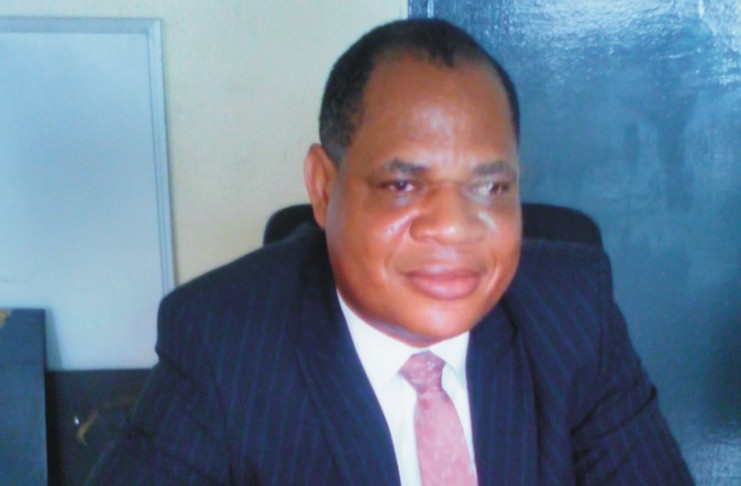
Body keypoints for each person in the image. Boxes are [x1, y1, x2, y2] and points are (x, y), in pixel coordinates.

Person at [90, 18, 692, 485]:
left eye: (491, 188)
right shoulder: (224, 341)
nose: (454, 227)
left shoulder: (572, 313)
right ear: (323, 188)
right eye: (402, 185)